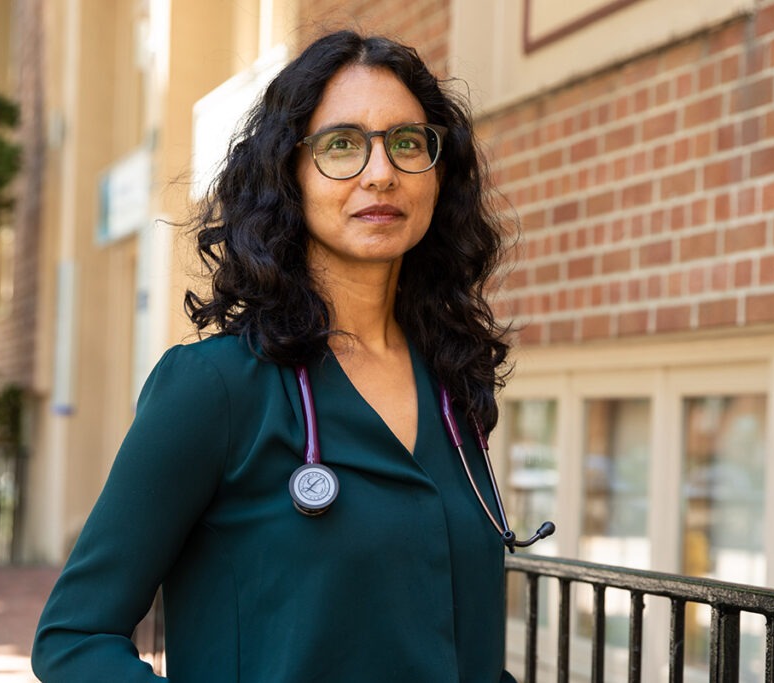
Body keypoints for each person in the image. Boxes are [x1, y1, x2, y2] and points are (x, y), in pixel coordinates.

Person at [32, 29, 519, 682]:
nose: (382, 173)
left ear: (439, 174)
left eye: (408, 143)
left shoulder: (452, 386)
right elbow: (75, 636)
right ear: (288, 172)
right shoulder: (216, 389)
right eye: (342, 144)